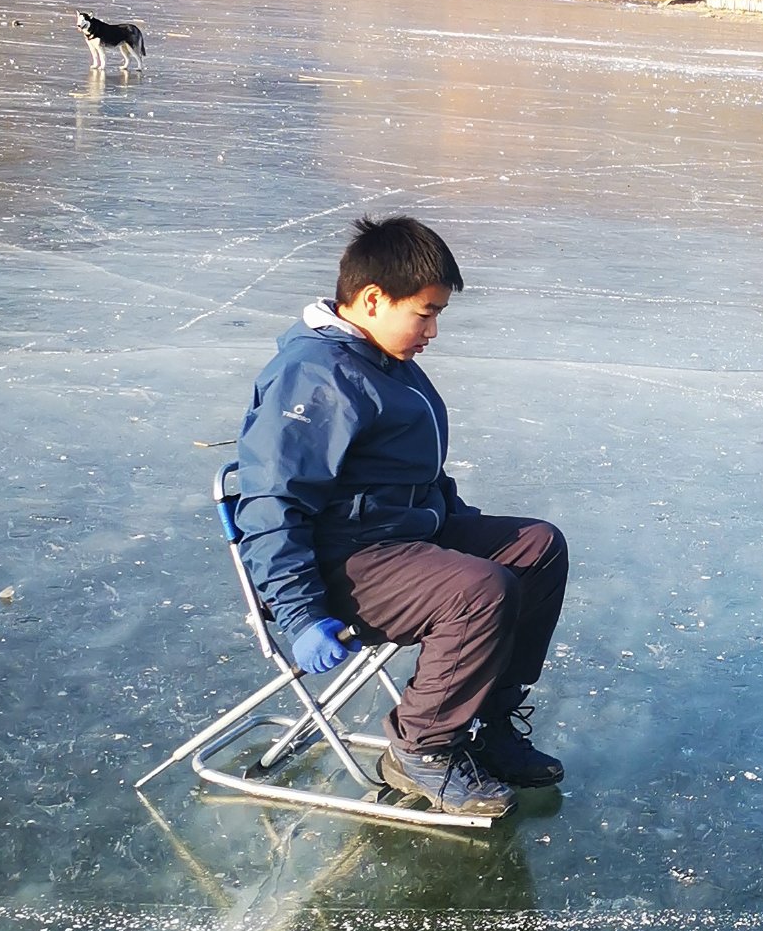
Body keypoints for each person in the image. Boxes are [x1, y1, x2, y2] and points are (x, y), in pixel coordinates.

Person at [233, 212, 569, 823]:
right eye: (426, 312)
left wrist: (460, 525)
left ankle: (486, 721)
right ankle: (422, 749)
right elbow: (270, 501)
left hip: (402, 542)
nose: (433, 330)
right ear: (371, 299)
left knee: (536, 547)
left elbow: (419, 474)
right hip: (343, 565)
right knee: (479, 592)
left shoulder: (385, 362)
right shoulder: (317, 375)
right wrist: (302, 612)